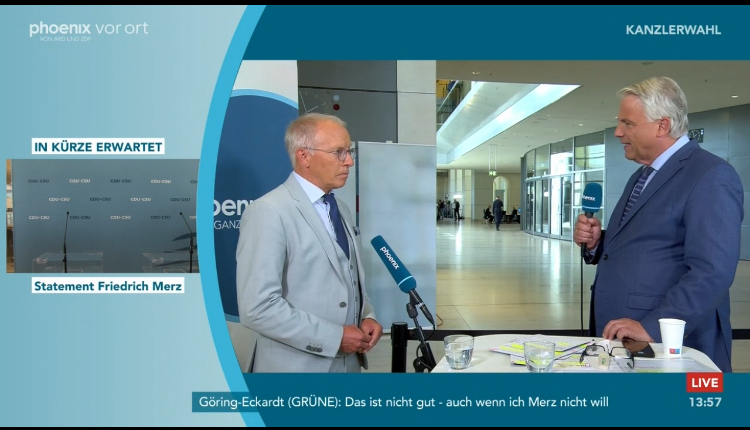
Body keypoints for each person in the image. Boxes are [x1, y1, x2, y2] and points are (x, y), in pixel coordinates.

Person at [573, 76, 743, 372]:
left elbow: (712, 271)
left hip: (669, 344)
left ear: (662, 126)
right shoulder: (642, 175)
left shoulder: (711, 176)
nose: (618, 132)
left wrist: (652, 327)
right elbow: (649, 240)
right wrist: (598, 242)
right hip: (625, 340)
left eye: (627, 123)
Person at [236, 113, 383, 373]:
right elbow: (257, 308)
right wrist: (334, 338)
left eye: (349, 152)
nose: (349, 161)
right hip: (294, 370)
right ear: (304, 156)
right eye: (338, 152)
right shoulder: (269, 212)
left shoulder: (341, 209)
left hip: (347, 367)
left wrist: (366, 315)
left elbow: (348, 277)